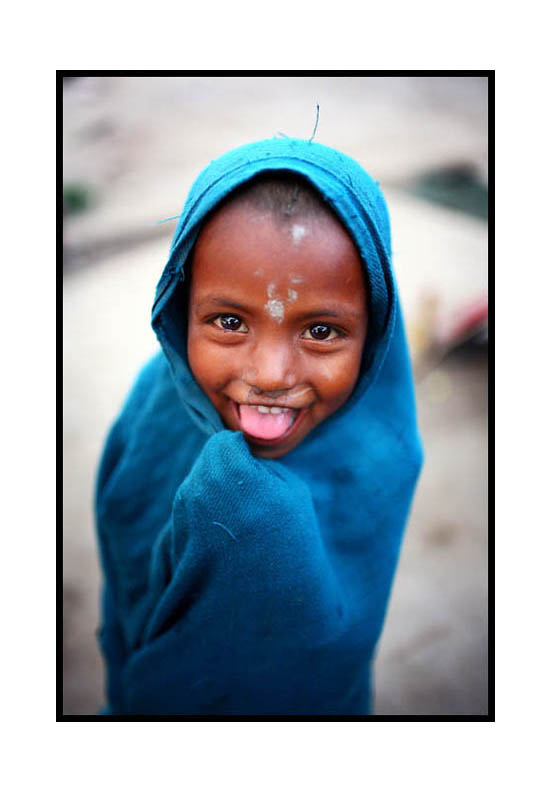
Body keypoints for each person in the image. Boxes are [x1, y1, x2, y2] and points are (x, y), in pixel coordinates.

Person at [95, 136, 423, 716]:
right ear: (180, 309)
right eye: (228, 322)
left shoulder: (381, 457)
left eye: (321, 331)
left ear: (374, 332)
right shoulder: (155, 404)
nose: (270, 375)